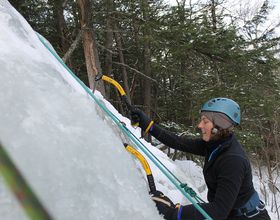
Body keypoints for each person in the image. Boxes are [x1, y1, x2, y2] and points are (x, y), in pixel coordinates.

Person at [130, 97, 271, 220]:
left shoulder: (232, 160)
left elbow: (219, 209)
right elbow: (178, 142)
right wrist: (148, 125)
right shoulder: (215, 145)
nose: (200, 125)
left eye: (205, 121)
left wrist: (176, 212)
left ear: (218, 127)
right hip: (233, 215)